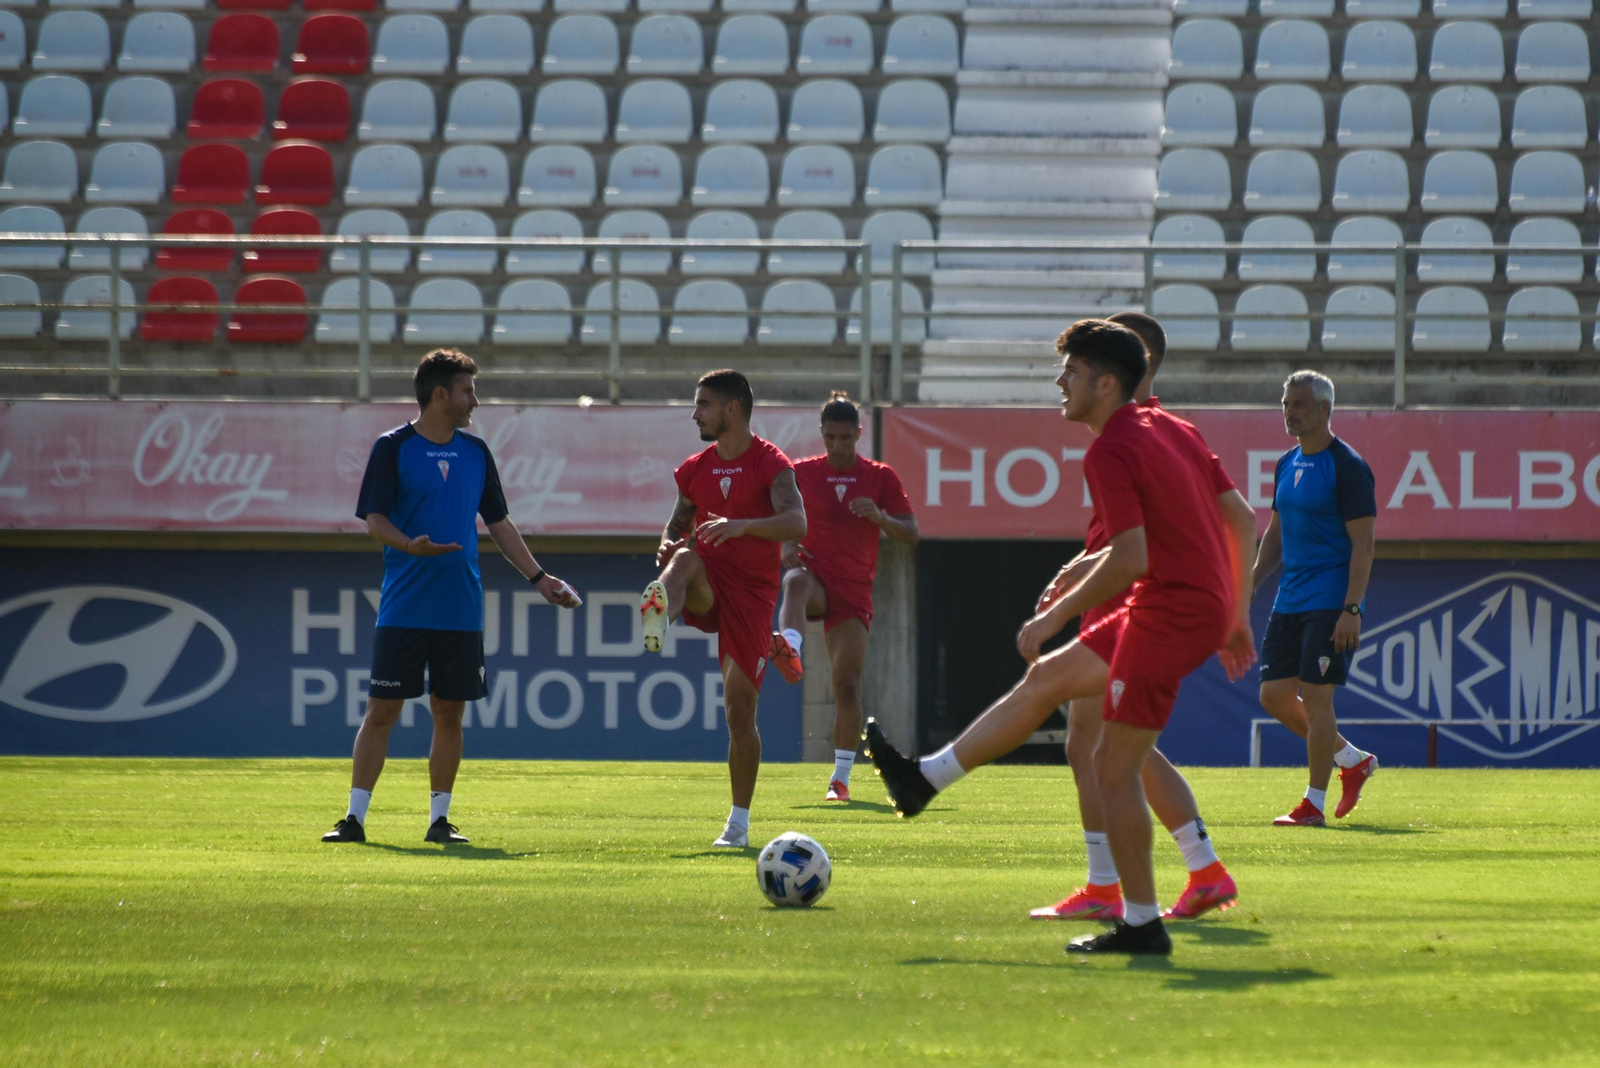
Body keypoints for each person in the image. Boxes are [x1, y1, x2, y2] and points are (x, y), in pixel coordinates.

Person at [865, 320, 1259, 955]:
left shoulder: (1110, 449)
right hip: (1178, 605)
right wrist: (1234, 613)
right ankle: (923, 780)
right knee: (1050, 686)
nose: (1060, 381)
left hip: (1168, 613)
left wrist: (1052, 616)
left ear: (1107, 382)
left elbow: (1129, 555)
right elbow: (1240, 522)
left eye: (1071, 371)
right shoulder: (1172, 428)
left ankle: (1141, 921)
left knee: (1111, 764)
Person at [323, 349, 581, 846]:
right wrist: (408, 545)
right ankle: (353, 819)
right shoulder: (392, 447)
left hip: (461, 608)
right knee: (382, 711)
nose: (474, 401)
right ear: (440, 394)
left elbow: (499, 523)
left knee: (449, 713)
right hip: (404, 607)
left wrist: (539, 578)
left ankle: (439, 821)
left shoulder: (476, 453)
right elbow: (374, 519)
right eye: (467, 391)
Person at [1029, 312, 1238, 925]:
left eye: (1084, 363)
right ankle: (1197, 869)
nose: (1070, 376)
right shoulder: (1157, 430)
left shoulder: (1147, 432)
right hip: (1122, 587)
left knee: (1098, 744)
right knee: (1113, 746)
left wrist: (1228, 608)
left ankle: (1117, 886)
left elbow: (1157, 541)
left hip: (1137, 598)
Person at [640, 370, 806, 848]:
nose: (696, 413)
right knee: (685, 556)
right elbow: (675, 525)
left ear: (731, 410)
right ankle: (661, 613)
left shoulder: (771, 463)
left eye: (703, 404)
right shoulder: (694, 468)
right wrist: (667, 541)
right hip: (708, 581)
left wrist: (742, 526)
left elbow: (796, 521)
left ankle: (737, 824)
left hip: (752, 598)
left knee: (739, 710)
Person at [772, 391, 919, 802]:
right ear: (821, 434)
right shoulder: (799, 473)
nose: (837, 446)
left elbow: (912, 534)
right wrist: (786, 549)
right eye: (830, 438)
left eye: (845, 438)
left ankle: (840, 780)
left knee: (848, 684)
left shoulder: (880, 477)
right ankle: (792, 648)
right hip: (817, 577)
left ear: (859, 434)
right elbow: (779, 521)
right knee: (795, 582)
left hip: (853, 590)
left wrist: (882, 517)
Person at [1253, 370, 1379, 827]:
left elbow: (1363, 545)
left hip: (1330, 601)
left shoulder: (1347, 466)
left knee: (1317, 697)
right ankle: (1351, 759)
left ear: (1325, 409)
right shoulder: (1286, 462)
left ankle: (1314, 804)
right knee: (1273, 695)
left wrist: (1352, 608)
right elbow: (1277, 531)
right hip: (1290, 599)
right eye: (1285, 403)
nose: (1289, 411)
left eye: (1299, 404)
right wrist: (1252, 581)